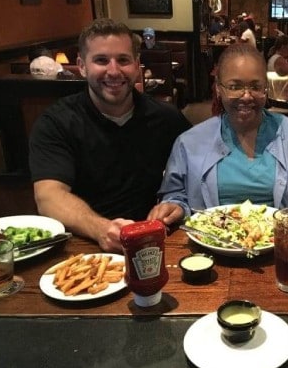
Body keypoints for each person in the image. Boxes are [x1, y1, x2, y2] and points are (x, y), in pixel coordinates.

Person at [148, 44, 288, 249]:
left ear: (266, 88)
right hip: (212, 251)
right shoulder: (190, 142)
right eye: (234, 86)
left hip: (287, 252)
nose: (246, 96)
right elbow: (176, 196)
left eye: (255, 86)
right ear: (219, 89)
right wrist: (174, 208)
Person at [29, 18, 192, 252]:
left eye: (123, 60)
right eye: (101, 60)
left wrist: (177, 205)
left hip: (153, 240)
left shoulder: (167, 118)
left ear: (137, 66)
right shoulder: (56, 122)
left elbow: (195, 171)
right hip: (84, 244)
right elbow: (48, 197)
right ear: (82, 65)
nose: (114, 71)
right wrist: (101, 229)